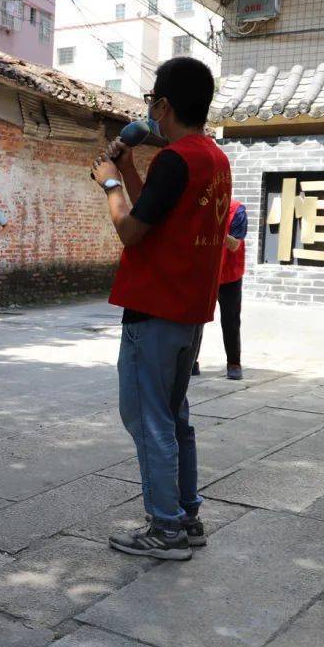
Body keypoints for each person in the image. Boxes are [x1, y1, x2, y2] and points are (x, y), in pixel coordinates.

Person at [90, 56, 231, 560]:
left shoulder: (176, 159)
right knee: (174, 418)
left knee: (149, 420)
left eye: (152, 100)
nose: (150, 109)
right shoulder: (211, 158)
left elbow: (132, 230)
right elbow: (158, 212)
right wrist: (126, 166)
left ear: (164, 105)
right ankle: (186, 515)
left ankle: (165, 528)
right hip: (188, 310)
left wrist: (108, 182)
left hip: (154, 308)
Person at [198, 198, 246, 381]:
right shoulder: (202, 207)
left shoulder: (237, 210)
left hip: (229, 274)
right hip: (205, 272)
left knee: (230, 320)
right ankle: (191, 362)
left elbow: (234, 245)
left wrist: (217, 230)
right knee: (195, 318)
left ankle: (234, 363)